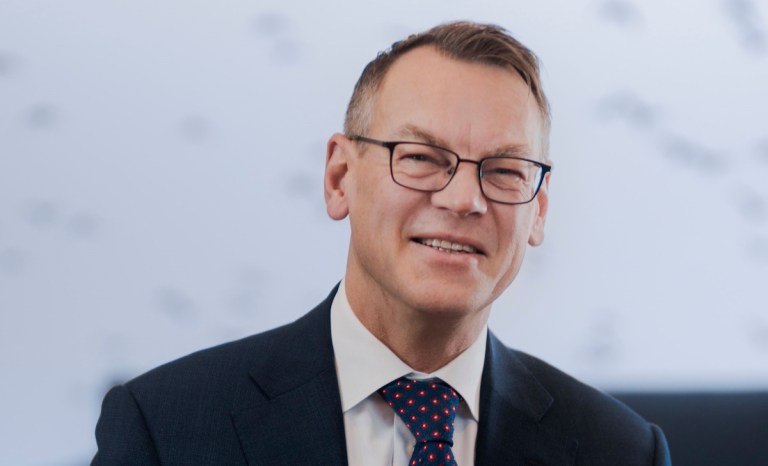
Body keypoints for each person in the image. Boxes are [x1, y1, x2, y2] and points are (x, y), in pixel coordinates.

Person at [92, 21, 671, 465]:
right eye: (420, 158)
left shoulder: (621, 451)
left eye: (504, 171)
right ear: (339, 177)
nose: (464, 199)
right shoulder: (166, 430)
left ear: (538, 210)